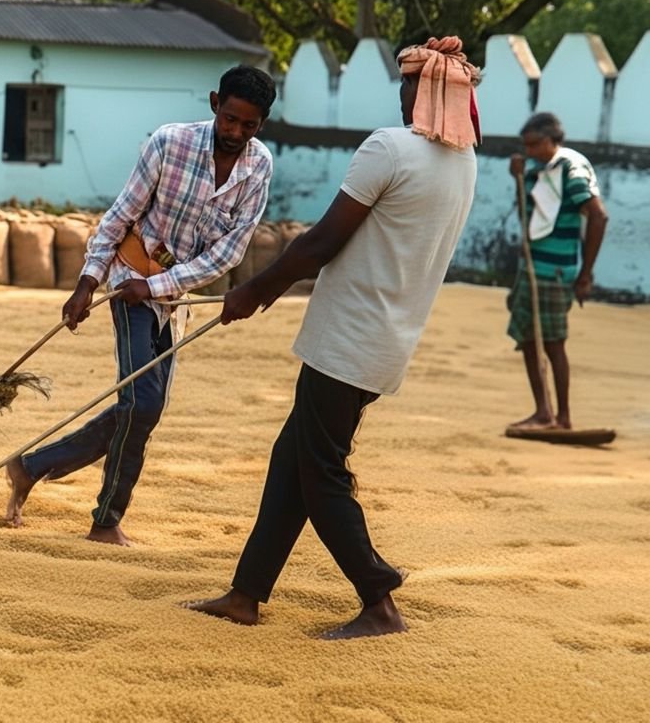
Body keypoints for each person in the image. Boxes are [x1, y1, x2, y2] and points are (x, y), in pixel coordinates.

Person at [188, 37, 482, 639]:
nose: (401, 96)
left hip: (348, 336)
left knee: (321, 470)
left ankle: (378, 599)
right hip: (386, 339)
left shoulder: (390, 147)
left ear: (420, 92)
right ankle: (246, 594)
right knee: (292, 459)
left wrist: (256, 289)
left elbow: (323, 241)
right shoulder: (465, 160)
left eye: (407, 85)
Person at [3, 65, 277, 546]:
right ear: (215, 103)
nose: (235, 132)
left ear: (262, 124)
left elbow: (229, 253)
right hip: (129, 280)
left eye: (248, 125)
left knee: (141, 407)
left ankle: (30, 467)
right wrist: (88, 282)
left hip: (172, 299)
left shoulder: (259, 168)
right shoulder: (168, 143)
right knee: (143, 402)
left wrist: (160, 287)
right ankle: (105, 522)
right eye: (230, 119)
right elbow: (120, 215)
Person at [506, 112, 608, 432]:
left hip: (555, 271)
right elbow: (530, 214)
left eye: (535, 145)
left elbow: (598, 217)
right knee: (529, 338)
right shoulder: (539, 168)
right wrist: (518, 178)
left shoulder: (571, 169)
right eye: (526, 146)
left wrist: (585, 274)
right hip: (534, 268)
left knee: (551, 343)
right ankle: (544, 413)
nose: (529, 152)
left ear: (552, 140)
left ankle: (561, 417)